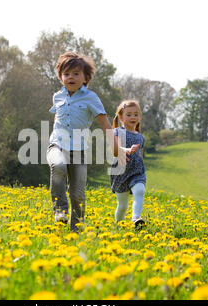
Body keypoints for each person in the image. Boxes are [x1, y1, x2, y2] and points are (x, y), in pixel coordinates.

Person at [46, 52, 132, 232]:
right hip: (56, 145)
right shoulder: (58, 97)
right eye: (67, 73)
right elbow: (58, 118)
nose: (71, 77)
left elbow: (105, 124)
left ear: (85, 77)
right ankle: (59, 211)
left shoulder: (90, 98)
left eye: (76, 73)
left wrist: (116, 148)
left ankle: (75, 232)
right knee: (59, 166)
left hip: (78, 151)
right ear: (60, 77)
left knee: (77, 195)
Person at [110, 100, 146, 230]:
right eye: (129, 114)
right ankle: (118, 226)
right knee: (122, 205)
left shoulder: (141, 137)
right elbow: (115, 149)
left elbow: (140, 155)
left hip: (137, 172)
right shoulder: (116, 132)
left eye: (136, 114)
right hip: (120, 173)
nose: (133, 117)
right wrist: (127, 150)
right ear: (121, 117)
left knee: (140, 191)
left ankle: (135, 218)